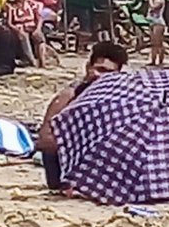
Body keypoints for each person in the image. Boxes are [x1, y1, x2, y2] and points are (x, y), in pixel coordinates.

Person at [36, 42, 129, 189]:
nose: (102, 77)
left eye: (110, 73)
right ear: (88, 67)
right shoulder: (70, 95)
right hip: (67, 170)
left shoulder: (118, 100)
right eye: (100, 70)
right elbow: (45, 140)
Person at [6, 0, 46, 69]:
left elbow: (39, 18)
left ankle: (42, 61)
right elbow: (9, 23)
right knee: (24, 36)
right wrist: (18, 30)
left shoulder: (30, 4)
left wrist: (38, 29)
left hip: (31, 27)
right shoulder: (11, 7)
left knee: (38, 36)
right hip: (20, 29)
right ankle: (32, 61)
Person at [147, 0, 167, 67]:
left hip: (159, 23)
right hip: (152, 22)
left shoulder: (160, 0)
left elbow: (153, 7)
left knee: (158, 43)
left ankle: (161, 60)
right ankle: (153, 60)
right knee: (153, 43)